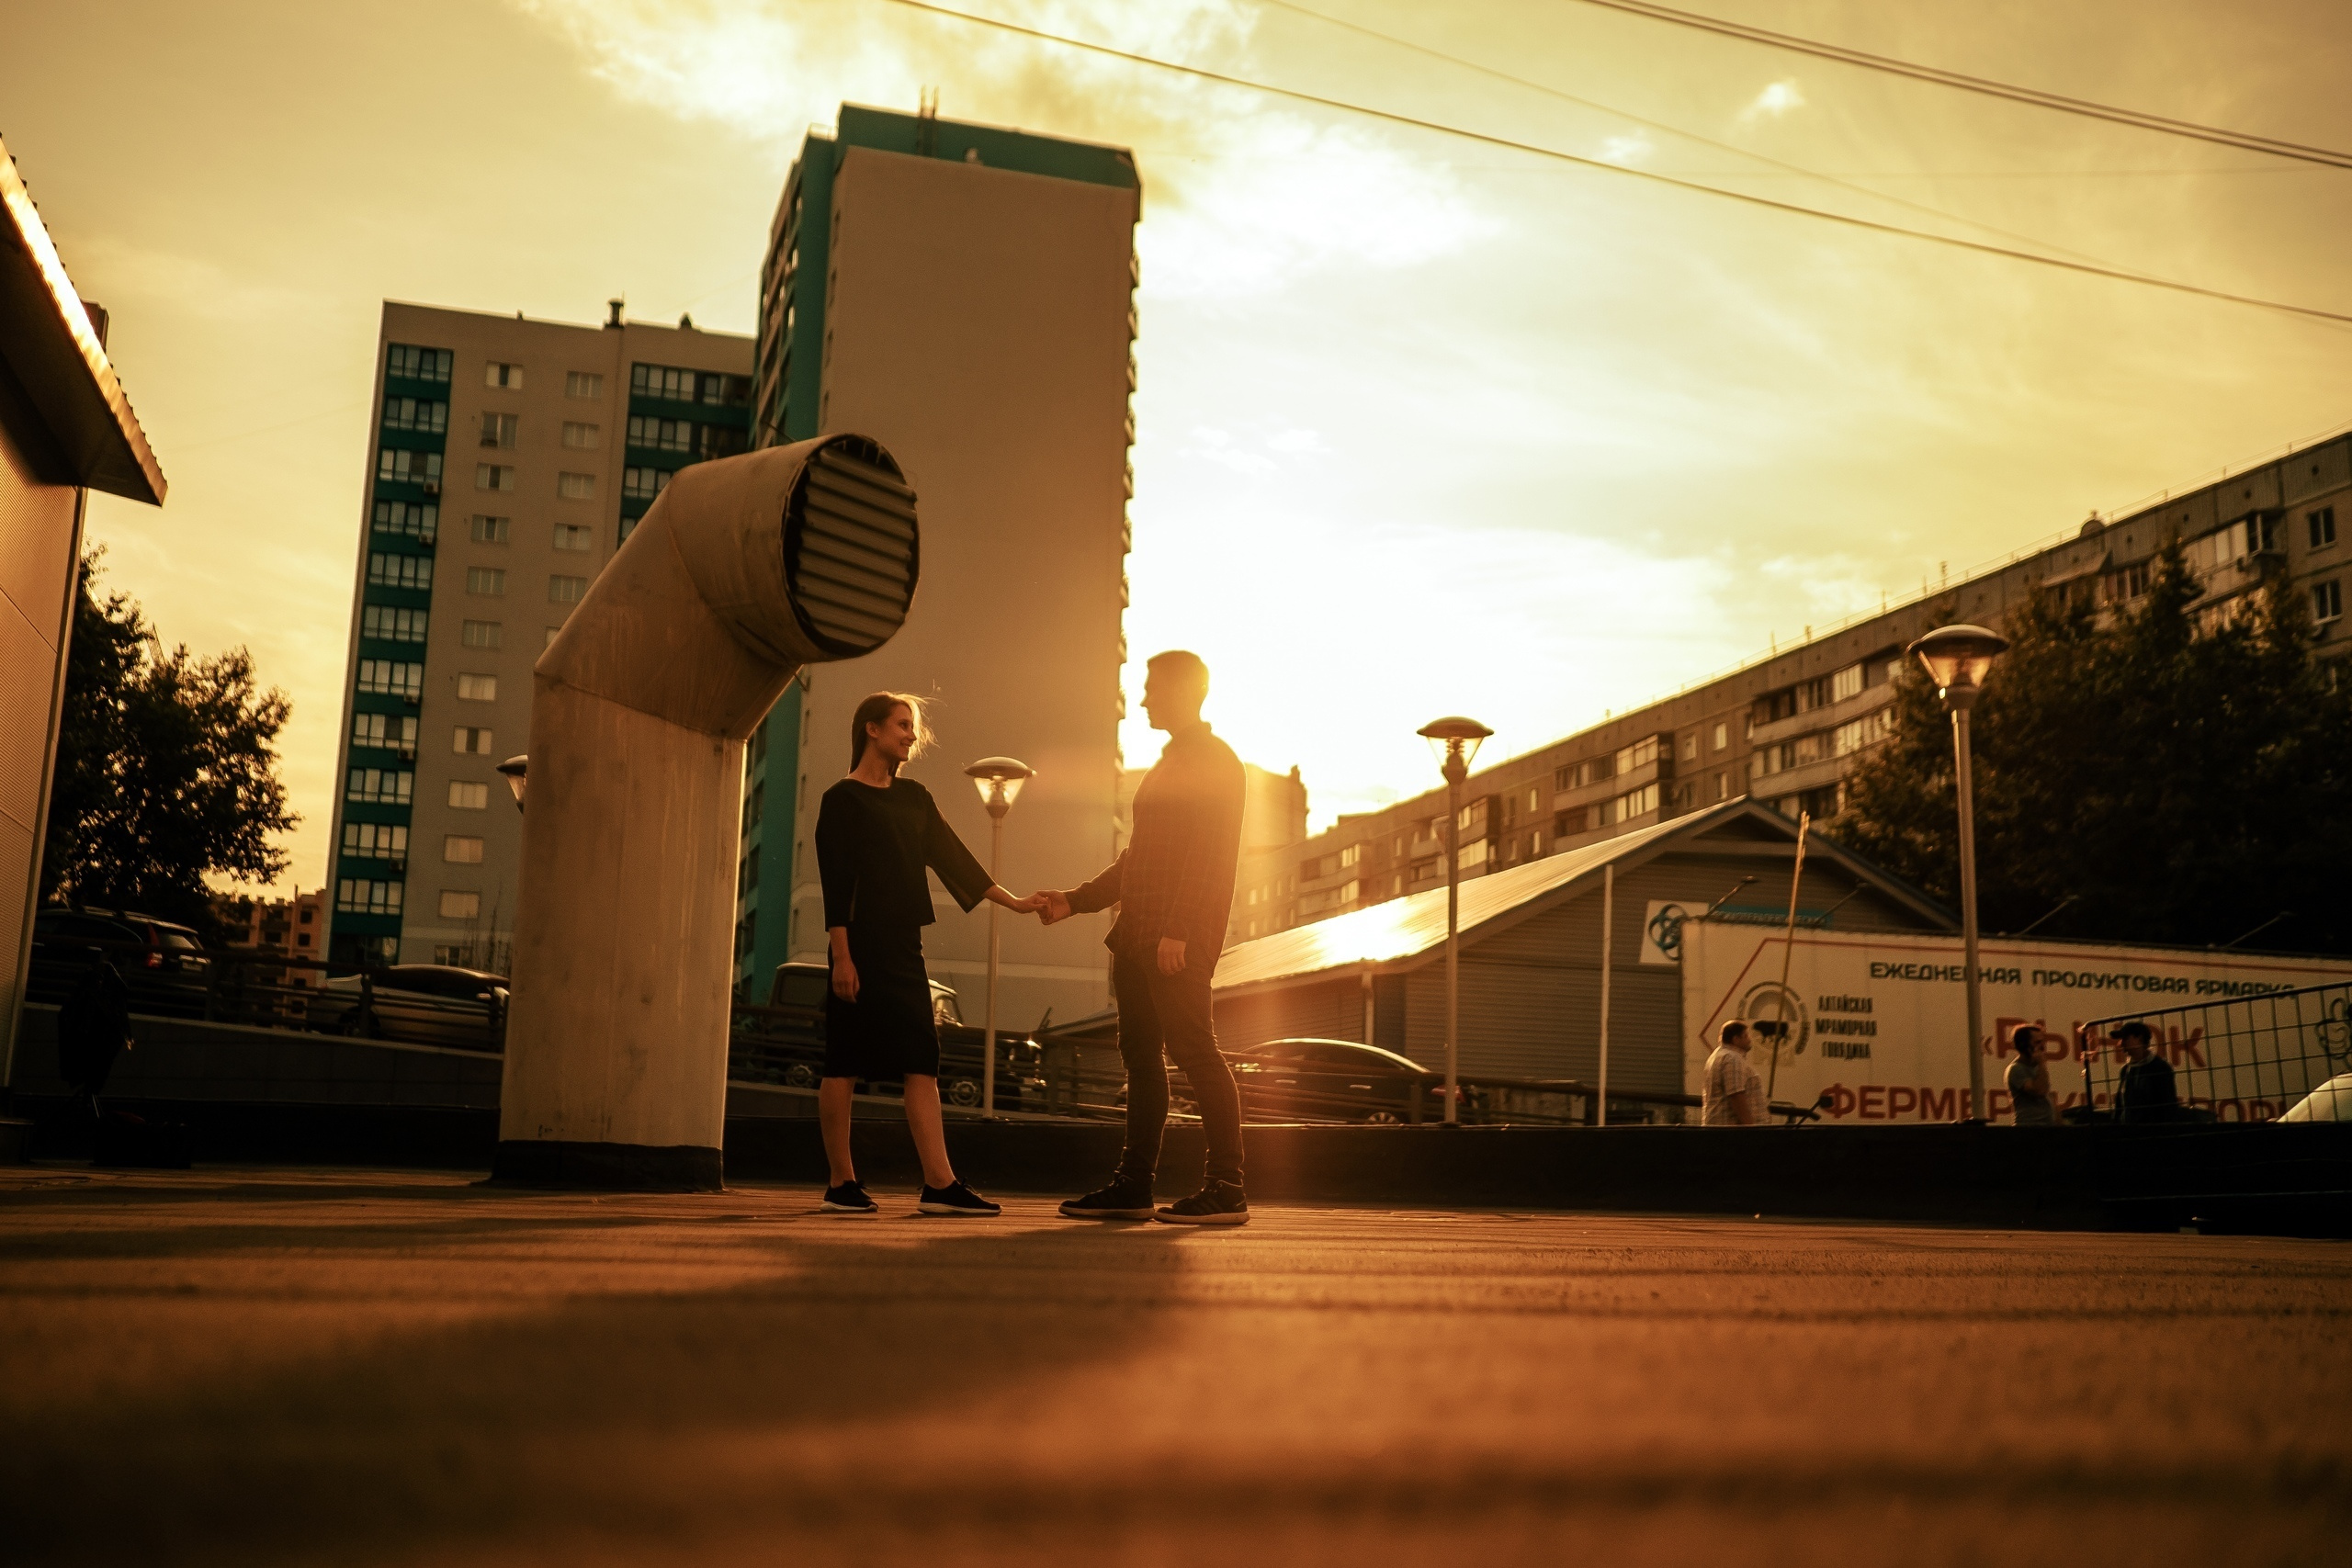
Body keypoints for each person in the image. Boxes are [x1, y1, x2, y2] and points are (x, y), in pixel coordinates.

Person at [815, 692, 1046, 1216]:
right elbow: (836, 883)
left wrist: (1013, 903)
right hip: (858, 946)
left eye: (912, 728)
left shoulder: (914, 797)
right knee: (843, 1062)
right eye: (902, 725)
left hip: (903, 946)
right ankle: (840, 1182)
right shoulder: (841, 800)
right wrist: (842, 958)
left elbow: (952, 858)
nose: (911, 736)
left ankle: (939, 1185)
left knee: (923, 1058)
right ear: (871, 729)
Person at [1040, 650, 1250, 1225]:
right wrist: (1074, 901)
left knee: (1194, 1052)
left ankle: (1227, 1188)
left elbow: (1208, 855)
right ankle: (1134, 1185)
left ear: (1185, 690)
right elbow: (1141, 857)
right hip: (1137, 934)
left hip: (1174, 939)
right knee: (1141, 1058)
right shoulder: (1173, 761)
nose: (1143, 700)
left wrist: (1179, 930)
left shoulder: (1213, 761)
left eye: (1152, 688)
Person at [1701, 1020, 1766, 1126]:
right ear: (1735, 1039)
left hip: (1720, 1129)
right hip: (1733, 1133)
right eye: (1746, 1036)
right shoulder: (1732, 1059)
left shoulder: (1717, 1056)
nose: (1750, 1040)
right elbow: (1736, 1095)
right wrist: (1750, 1127)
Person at [2112, 1021, 2179, 1123]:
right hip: (2128, 1134)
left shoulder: (2160, 1068)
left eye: (2125, 1038)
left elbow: (2168, 1106)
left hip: (2152, 1134)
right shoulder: (2125, 1070)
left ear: (2139, 1038)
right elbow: (2120, 1105)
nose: (2120, 1043)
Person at [2007, 1024, 2056, 1126]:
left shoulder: (2036, 1068)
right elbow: (2040, 1090)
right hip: (2029, 1128)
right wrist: (2042, 1065)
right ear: (2023, 1045)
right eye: (2037, 1042)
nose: (2042, 1047)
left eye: (2043, 1042)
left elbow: (2048, 1097)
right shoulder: (2016, 1069)